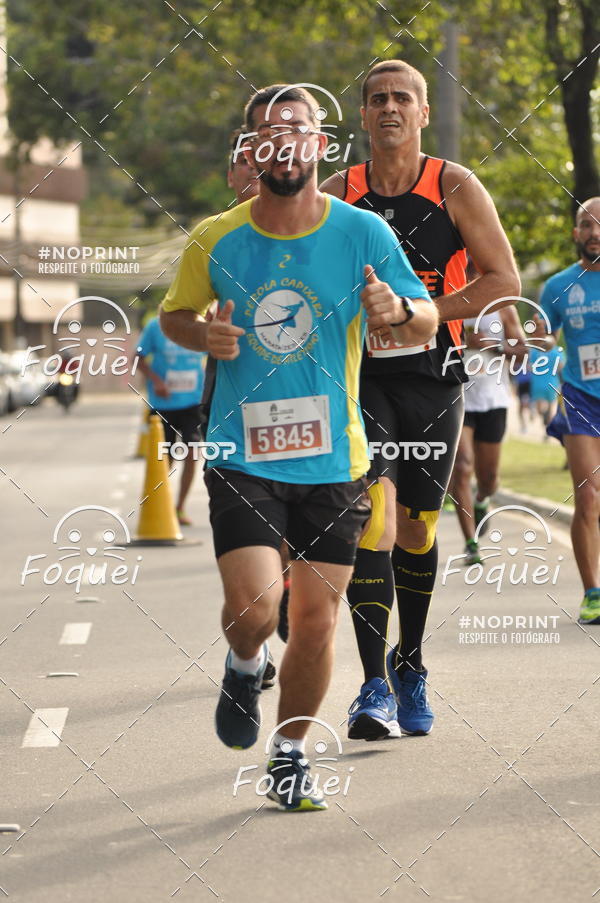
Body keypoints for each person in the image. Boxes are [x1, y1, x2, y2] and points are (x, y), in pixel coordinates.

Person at [160, 84, 437, 811]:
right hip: (243, 454)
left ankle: (288, 754)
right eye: (268, 135)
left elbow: (425, 321)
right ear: (252, 150)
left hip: (334, 459)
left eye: (298, 130)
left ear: (319, 144)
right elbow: (175, 316)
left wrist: (399, 308)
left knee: (315, 622)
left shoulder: (362, 233)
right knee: (257, 609)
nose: (284, 144)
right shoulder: (216, 237)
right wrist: (203, 334)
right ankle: (244, 660)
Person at [320, 59, 520, 740]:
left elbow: (503, 279)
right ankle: (372, 683)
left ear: (423, 112)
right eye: (377, 98)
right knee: (371, 519)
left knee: (416, 526)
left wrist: (421, 311)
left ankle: (411, 661)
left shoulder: (454, 185)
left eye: (402, 98)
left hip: (435, 378)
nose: (389, 108)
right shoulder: (339, 193)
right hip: (363, 380)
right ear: (363, 114)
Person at [542, 197, 600, 624]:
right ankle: (593, 592)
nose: (595, 232)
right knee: (588, 495)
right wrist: (536, 340)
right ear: (575, 233)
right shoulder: (558, 285)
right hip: (580, 398)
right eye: (587, 224)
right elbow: (543, 332)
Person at [448, 305, 526, 566]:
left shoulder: (503, 309)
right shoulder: (451, 304)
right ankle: (471, 544)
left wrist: (494, 345)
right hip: (457, 398)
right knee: (461, 467)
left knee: (489, 478)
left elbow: (523, 352)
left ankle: (482, 500)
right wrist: (462, 343)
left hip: (494, 400)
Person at [136, 317, 206, 525]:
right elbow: (138, 358)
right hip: (163, 405)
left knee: (192, 453)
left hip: (193, 403)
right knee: (165, 458)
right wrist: (157, 381)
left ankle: (180, 507)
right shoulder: (155, 326)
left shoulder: (199, 324)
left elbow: (214, 355)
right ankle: (158, 503)